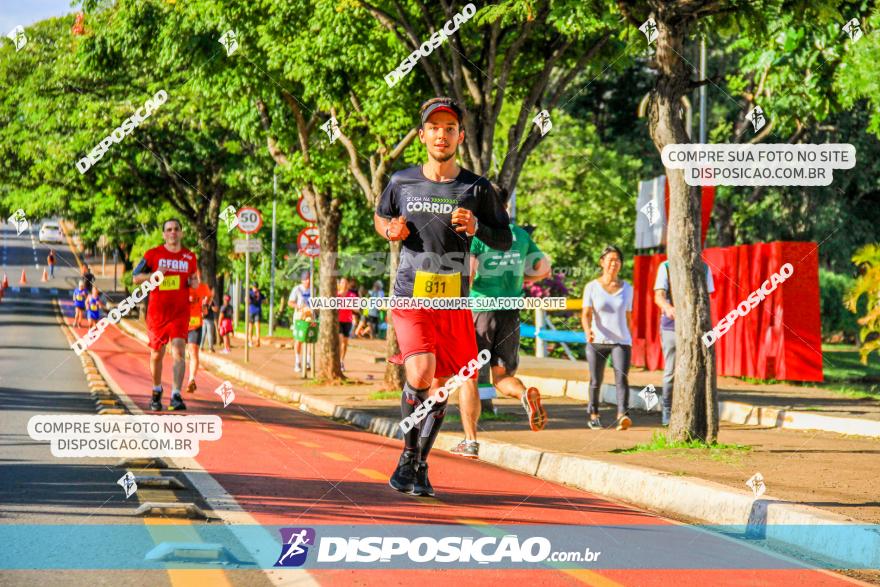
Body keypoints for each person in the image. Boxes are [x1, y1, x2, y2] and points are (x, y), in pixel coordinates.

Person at [375, 96, 511, 496]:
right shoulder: (401, 181)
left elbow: (504, 238)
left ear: (460, 136)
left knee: (443, 384)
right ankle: (407, 457)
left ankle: (418, 464)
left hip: (453, 298)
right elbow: (382, 216)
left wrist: (477, 228)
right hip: (410, 293)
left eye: (449, 128)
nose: (442, 134)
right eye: (434, 127)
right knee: (420, 371)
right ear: (422, 136)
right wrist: (390, 232)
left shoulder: (476, 187)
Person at [452, 203, 552, 459]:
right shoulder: (520, 235)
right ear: (506, 208)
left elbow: (470, 274)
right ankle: (523, 394)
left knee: (469, 377)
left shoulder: (478, 235)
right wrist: (519, 277)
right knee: (501, 376)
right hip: (510, 311)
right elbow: (543, 269)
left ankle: (471, 441)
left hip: (480, 311)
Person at [132, 218, 199, 412]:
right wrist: (153, 275)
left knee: (178, 351)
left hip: (179, 313)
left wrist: (193, 283)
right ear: (164, 234)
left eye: (176, 229)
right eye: (169, 229)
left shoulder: (189, 257)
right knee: (156, 354)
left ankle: (176, 394)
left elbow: (192, 279)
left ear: (181, 233)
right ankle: (156, 389)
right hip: (157, 314)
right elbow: (136, 277)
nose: (173, 232)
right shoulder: (153, 255)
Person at [654, 258, 715, 426]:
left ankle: (697, 413)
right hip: (670, 327)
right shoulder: (666, 266)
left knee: (698, 369)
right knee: (670, 371)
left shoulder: (704, 267)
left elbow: (707, 299)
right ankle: (667, 410)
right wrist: (668, 308)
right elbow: (659, 296)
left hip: (696, 328)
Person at [581, 245, 634, 431]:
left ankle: (622, 415)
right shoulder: (592, 287)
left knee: (622, 378)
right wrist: (588, 331)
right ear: (602, 262)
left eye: (617, 260)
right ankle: (594, 415)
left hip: (621, 341)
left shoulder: (628, 288)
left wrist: (630, 336)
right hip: (597, 341)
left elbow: (629, 317)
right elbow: (586, 314)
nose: (614, 263)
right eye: (610, 260)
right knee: (596, 380)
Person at [185, 281, 213, 393]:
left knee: (193, 351)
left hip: (195, 324)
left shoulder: (202, 287)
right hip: (181, 324)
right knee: (181, 353)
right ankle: (179, 381)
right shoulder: (181, 286)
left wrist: (205, 305)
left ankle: (191, 379)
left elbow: (209, 296)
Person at [287, 271, 312, 371]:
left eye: (309, 278)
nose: (308, 281)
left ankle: (308, 362)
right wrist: (298, 306)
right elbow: (290, 302)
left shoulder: (313, 289)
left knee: (310, 339)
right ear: (302, 280)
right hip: (299, 317)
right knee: (299, 339)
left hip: (310, 316)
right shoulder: (297, 289)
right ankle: (297, 362)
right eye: (306, 279)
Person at [337, 277, 358, 371]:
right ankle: (337, 361)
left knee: (345, 343)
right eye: (342, 283)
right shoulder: (336, 295)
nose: (344, 284)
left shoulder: (352, 295)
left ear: (348, 284)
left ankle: (341, 361)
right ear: (340, 284)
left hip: (348, 321)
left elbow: (357, 309)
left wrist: (351, 306)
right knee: (340, 340)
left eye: (346, 283)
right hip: (338, 321)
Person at [247, 283, 264, 347]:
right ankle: (250, 340)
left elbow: (265, 300)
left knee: (257, 326)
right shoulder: (250, 293)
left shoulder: (259, 293)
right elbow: (247, 300)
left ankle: (257, 340)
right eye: (254, 287)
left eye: (255, 287)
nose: (255, 288)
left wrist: (259, 298)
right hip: (252, 311)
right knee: (251, 326)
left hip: (256, 311)